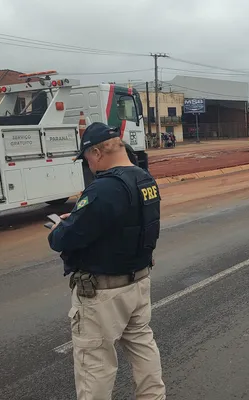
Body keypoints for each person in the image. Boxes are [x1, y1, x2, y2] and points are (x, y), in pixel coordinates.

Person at [47, 122, 166, 400]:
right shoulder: (145, 179)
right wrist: (79, 219)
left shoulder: (104, 188)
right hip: (137, 282)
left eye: (87, 157)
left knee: (95, 364)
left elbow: (64, 240)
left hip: (103, 293)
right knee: (142, 345)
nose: (87, 164)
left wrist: (58, 229)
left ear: (98, 153)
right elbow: (124, 222)